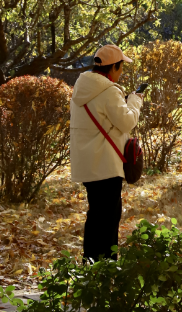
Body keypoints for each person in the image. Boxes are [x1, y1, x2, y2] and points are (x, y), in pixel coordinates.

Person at [70, 44, 143, 262]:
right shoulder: (109, 91)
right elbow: (127, 121)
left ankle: (89, 266)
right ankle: (107, 269)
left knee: (95, 219)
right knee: (109, 221)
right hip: (107, 166)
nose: (121, 73)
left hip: (88, 166)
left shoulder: (81, 88)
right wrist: (135, 101)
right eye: (121, 67)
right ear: (114, 67)